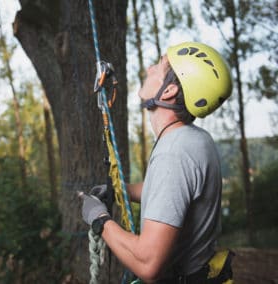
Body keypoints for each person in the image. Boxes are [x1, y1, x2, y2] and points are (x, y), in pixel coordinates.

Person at [80, 42, 234, 283]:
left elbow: (148, 264)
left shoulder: (174, 153)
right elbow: (171, 192)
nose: (149, 68)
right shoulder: (194, 139)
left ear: (169, 91)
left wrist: (100, 220)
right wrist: (122, 190)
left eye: (159, 66)